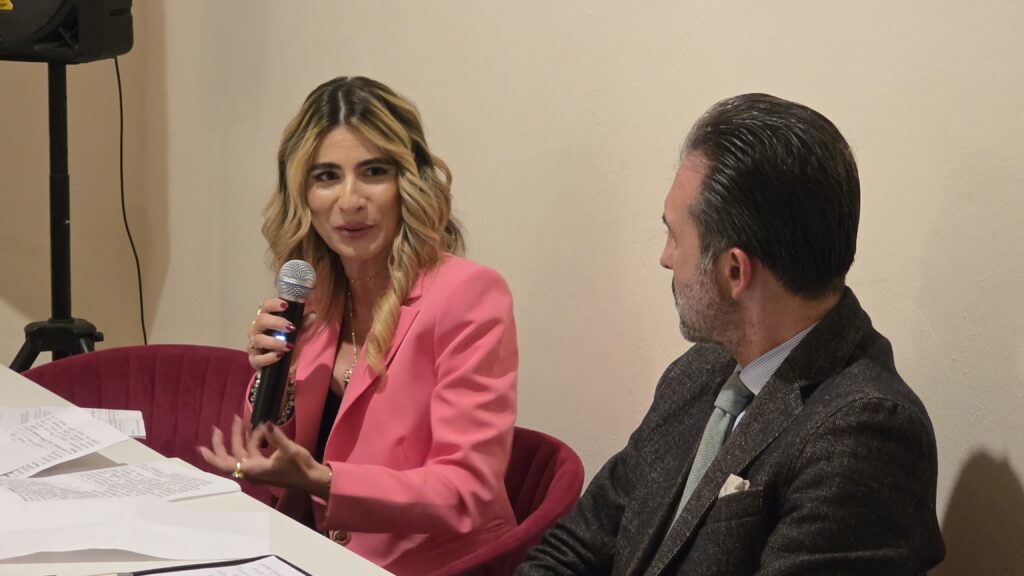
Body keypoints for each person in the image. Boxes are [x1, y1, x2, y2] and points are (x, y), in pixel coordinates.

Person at [517, 94, 945, 574]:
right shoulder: (697, 374)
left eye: (675, 236)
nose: (665, 258)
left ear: (735, 271)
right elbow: (572, 549)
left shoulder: (864, 435)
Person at [198, 76, 518, 575]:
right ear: (302, 194)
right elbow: (273, 467)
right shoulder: (312, 300)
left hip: (432, 566)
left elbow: (466, 490)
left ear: (408, 183)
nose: (349, 201)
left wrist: (326, 482)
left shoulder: (468, 295)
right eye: (327, 176)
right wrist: (272, 378)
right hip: (313, 555)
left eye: (373, 172)